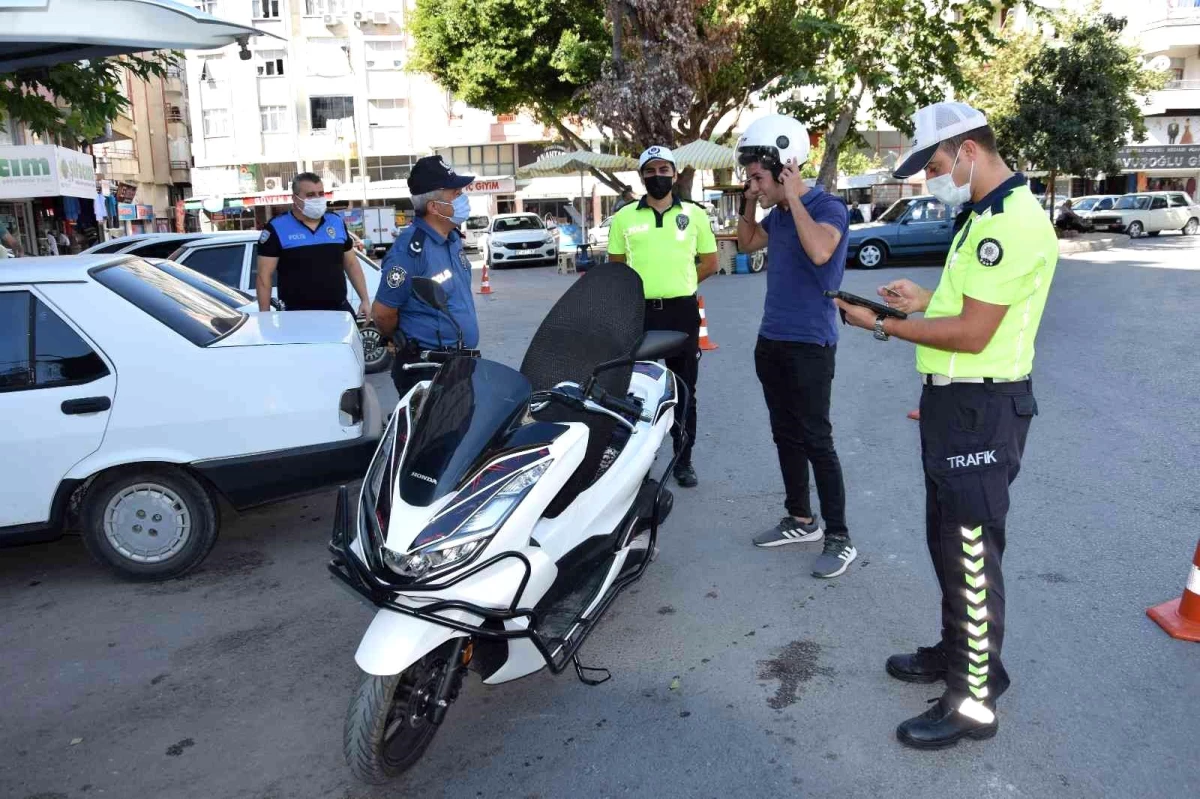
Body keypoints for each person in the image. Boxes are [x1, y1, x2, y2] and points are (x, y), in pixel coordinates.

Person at [833, 102, 1057, 749]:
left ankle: (973, 702)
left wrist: (879, 322)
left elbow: (974, 331)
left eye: (935, 163)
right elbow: (968, 308)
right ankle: (963, 653)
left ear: (967, 150)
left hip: (980, 409)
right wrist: (922, 302)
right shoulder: (982, 214)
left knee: (970, 555)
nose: (934, 175)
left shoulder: (1010, 222)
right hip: (955, 404)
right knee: (947, 542)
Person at [735, 114, 858, 580]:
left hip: (811, 344)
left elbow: (821, 252)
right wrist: (752, 205)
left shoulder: (827, 208)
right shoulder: (777, 215)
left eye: (758, 177)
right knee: (784, 434)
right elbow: (746, 245)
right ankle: (801, 520)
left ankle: (840, 537)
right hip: (773, 341)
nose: (754, 185)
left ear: (786, 170)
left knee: (816, 439)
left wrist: (792, 197)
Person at [606, 145, 719, 488]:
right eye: (650, 171)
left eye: (664, 170)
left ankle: (683, 460)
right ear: (642, 176)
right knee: (636, 390)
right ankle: (639, 462)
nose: (658, 177)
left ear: (674, 173)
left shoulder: (694, 214)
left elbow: (710, 262)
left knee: (684, 389)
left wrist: (682, 286)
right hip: (639, 315)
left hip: (682, 313)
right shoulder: (625, 216)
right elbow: (616, 266)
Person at [372, 155, 481, 399]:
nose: (463, 198)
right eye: (455, 193)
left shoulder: (452, 240)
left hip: (458, 365)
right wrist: (397, 338)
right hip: (427, 370)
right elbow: (382, 313)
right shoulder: (409, 251)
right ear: (434, 206)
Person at [255, 172, 371, 317]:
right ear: (295, 199)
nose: (317, 199)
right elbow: (264, 276)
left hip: (338, 311)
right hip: (296, 315)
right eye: (310, 195)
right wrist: (264, 317)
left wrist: (365, 299)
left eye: (320, 193)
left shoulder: (336, 222)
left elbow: (352, 264)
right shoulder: (276, 227)